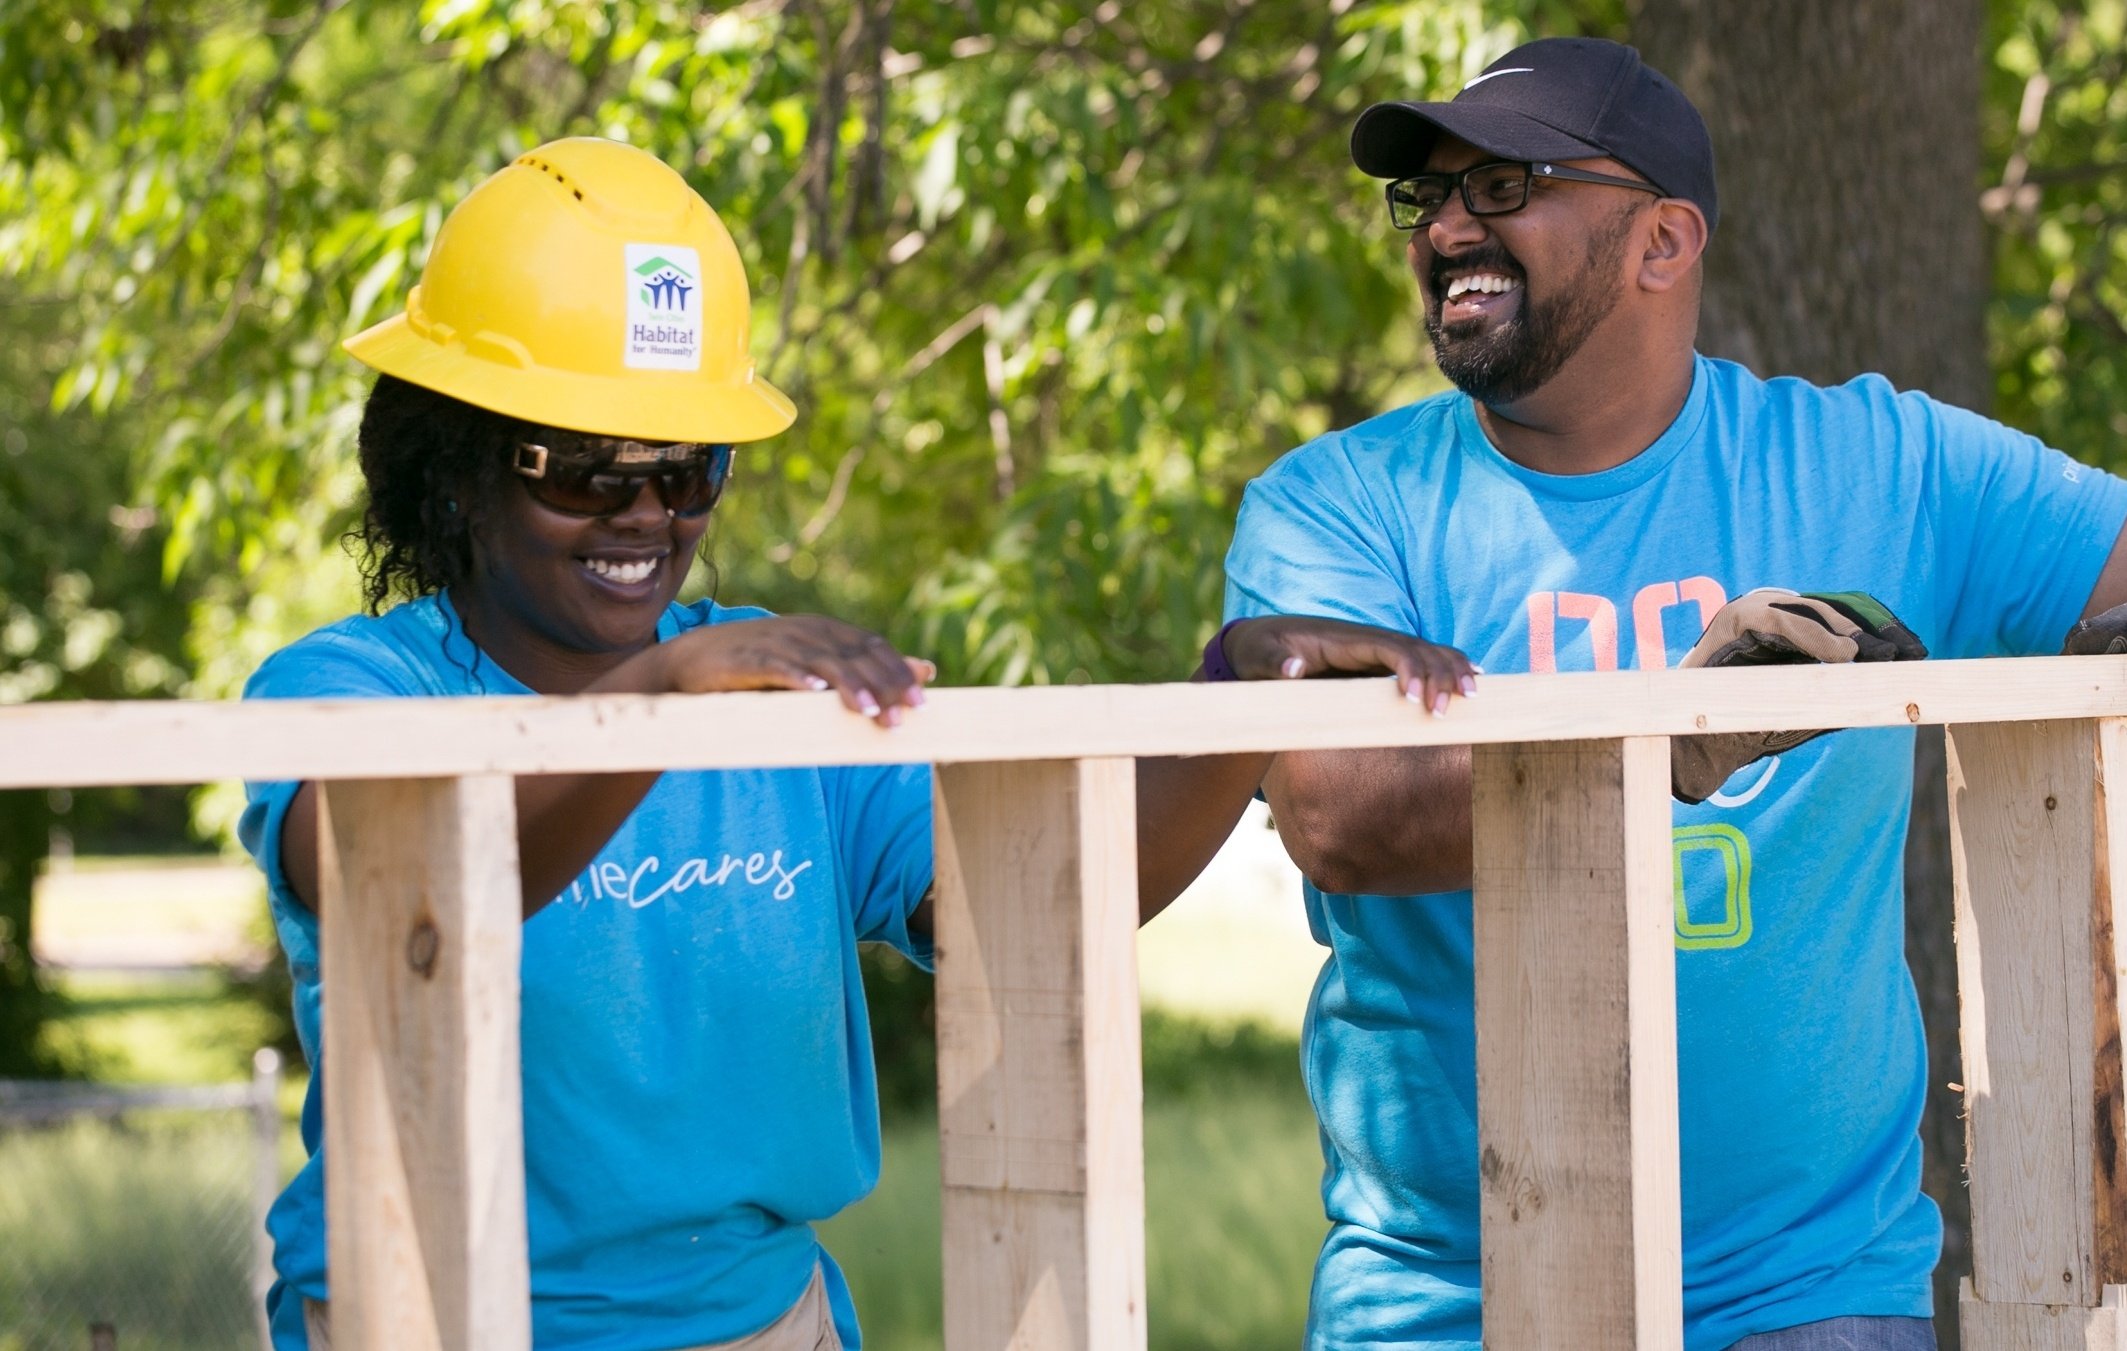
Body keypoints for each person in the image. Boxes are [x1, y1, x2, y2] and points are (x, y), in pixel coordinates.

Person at [241, 136, 1471, 1351]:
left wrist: (1236, 705)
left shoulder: (764, 685)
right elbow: (411, 890)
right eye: (580, 472)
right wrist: (659, 698)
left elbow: (1040, 900)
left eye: (686, 472)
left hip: (763, 1323)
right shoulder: (351, 688)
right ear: (453, 472)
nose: (645, 517)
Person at [1217, 37, 2127, 1351]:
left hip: (1809, 1292)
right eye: (1430, 198)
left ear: (1662, 239)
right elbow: (1339, 817)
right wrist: (1678, 738)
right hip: (1447, 1298)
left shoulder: (1881, 460)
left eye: (1506, 184)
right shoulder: (1343, 505)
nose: (1450, 224)